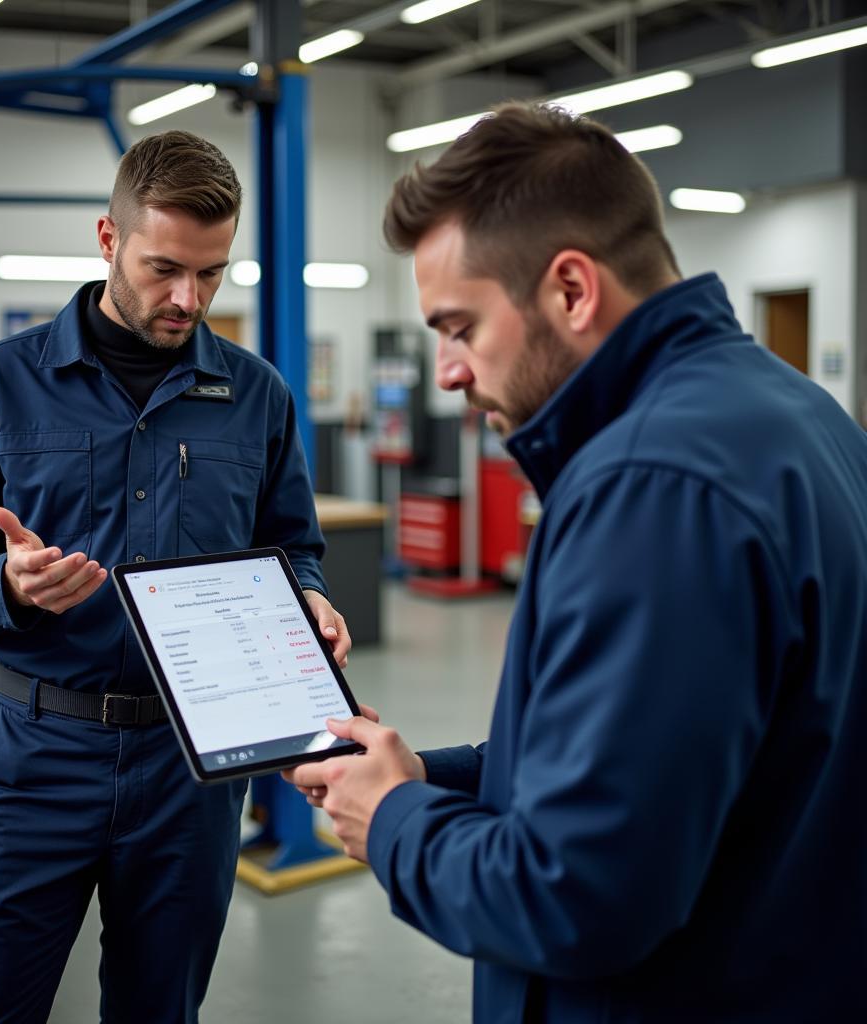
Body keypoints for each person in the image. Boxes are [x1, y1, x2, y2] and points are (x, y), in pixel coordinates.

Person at [286, 103, 867, 1023]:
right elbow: (658, 763)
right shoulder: (795, 415)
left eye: (460, 327)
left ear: (570, 290)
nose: (446, 371)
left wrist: (392, 822)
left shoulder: (652, 486)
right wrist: (419, 775)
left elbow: (576, 897)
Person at [0, 129, 350, 1024]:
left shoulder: (257, 395)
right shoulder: (2, 383)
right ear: (109, 240)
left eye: (213, 273)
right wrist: (7, 587)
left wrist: (307, 596)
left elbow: (291, 543)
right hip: (34, 754)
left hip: (190, 773)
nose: (188, 299)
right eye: (164, 269)